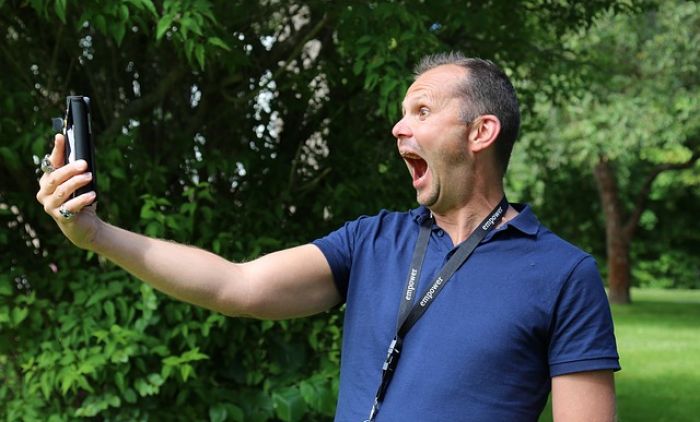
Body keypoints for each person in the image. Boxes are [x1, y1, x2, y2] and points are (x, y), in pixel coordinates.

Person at [37, 52, 619, 421]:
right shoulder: (372, 242)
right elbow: (236, 286)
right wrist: (96, 234)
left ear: (481, 132)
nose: (398, 126)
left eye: (421, 111)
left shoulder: (562, 274)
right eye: (402, 112)